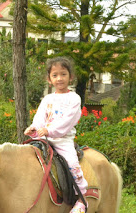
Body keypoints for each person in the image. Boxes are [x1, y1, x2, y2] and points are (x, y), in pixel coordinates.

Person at [24, 57, 88, 213]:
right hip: (44, 138)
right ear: (49, 79)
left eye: (63, 74)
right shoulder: (48, 99)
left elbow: (67, 122)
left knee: (72, 164)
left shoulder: (74, 98)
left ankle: (82, 199)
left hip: (62, 140)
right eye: (55, 75)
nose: (59, 78)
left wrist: (49, 130)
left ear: (70, 76)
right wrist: (34, 128)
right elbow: (40, 117)